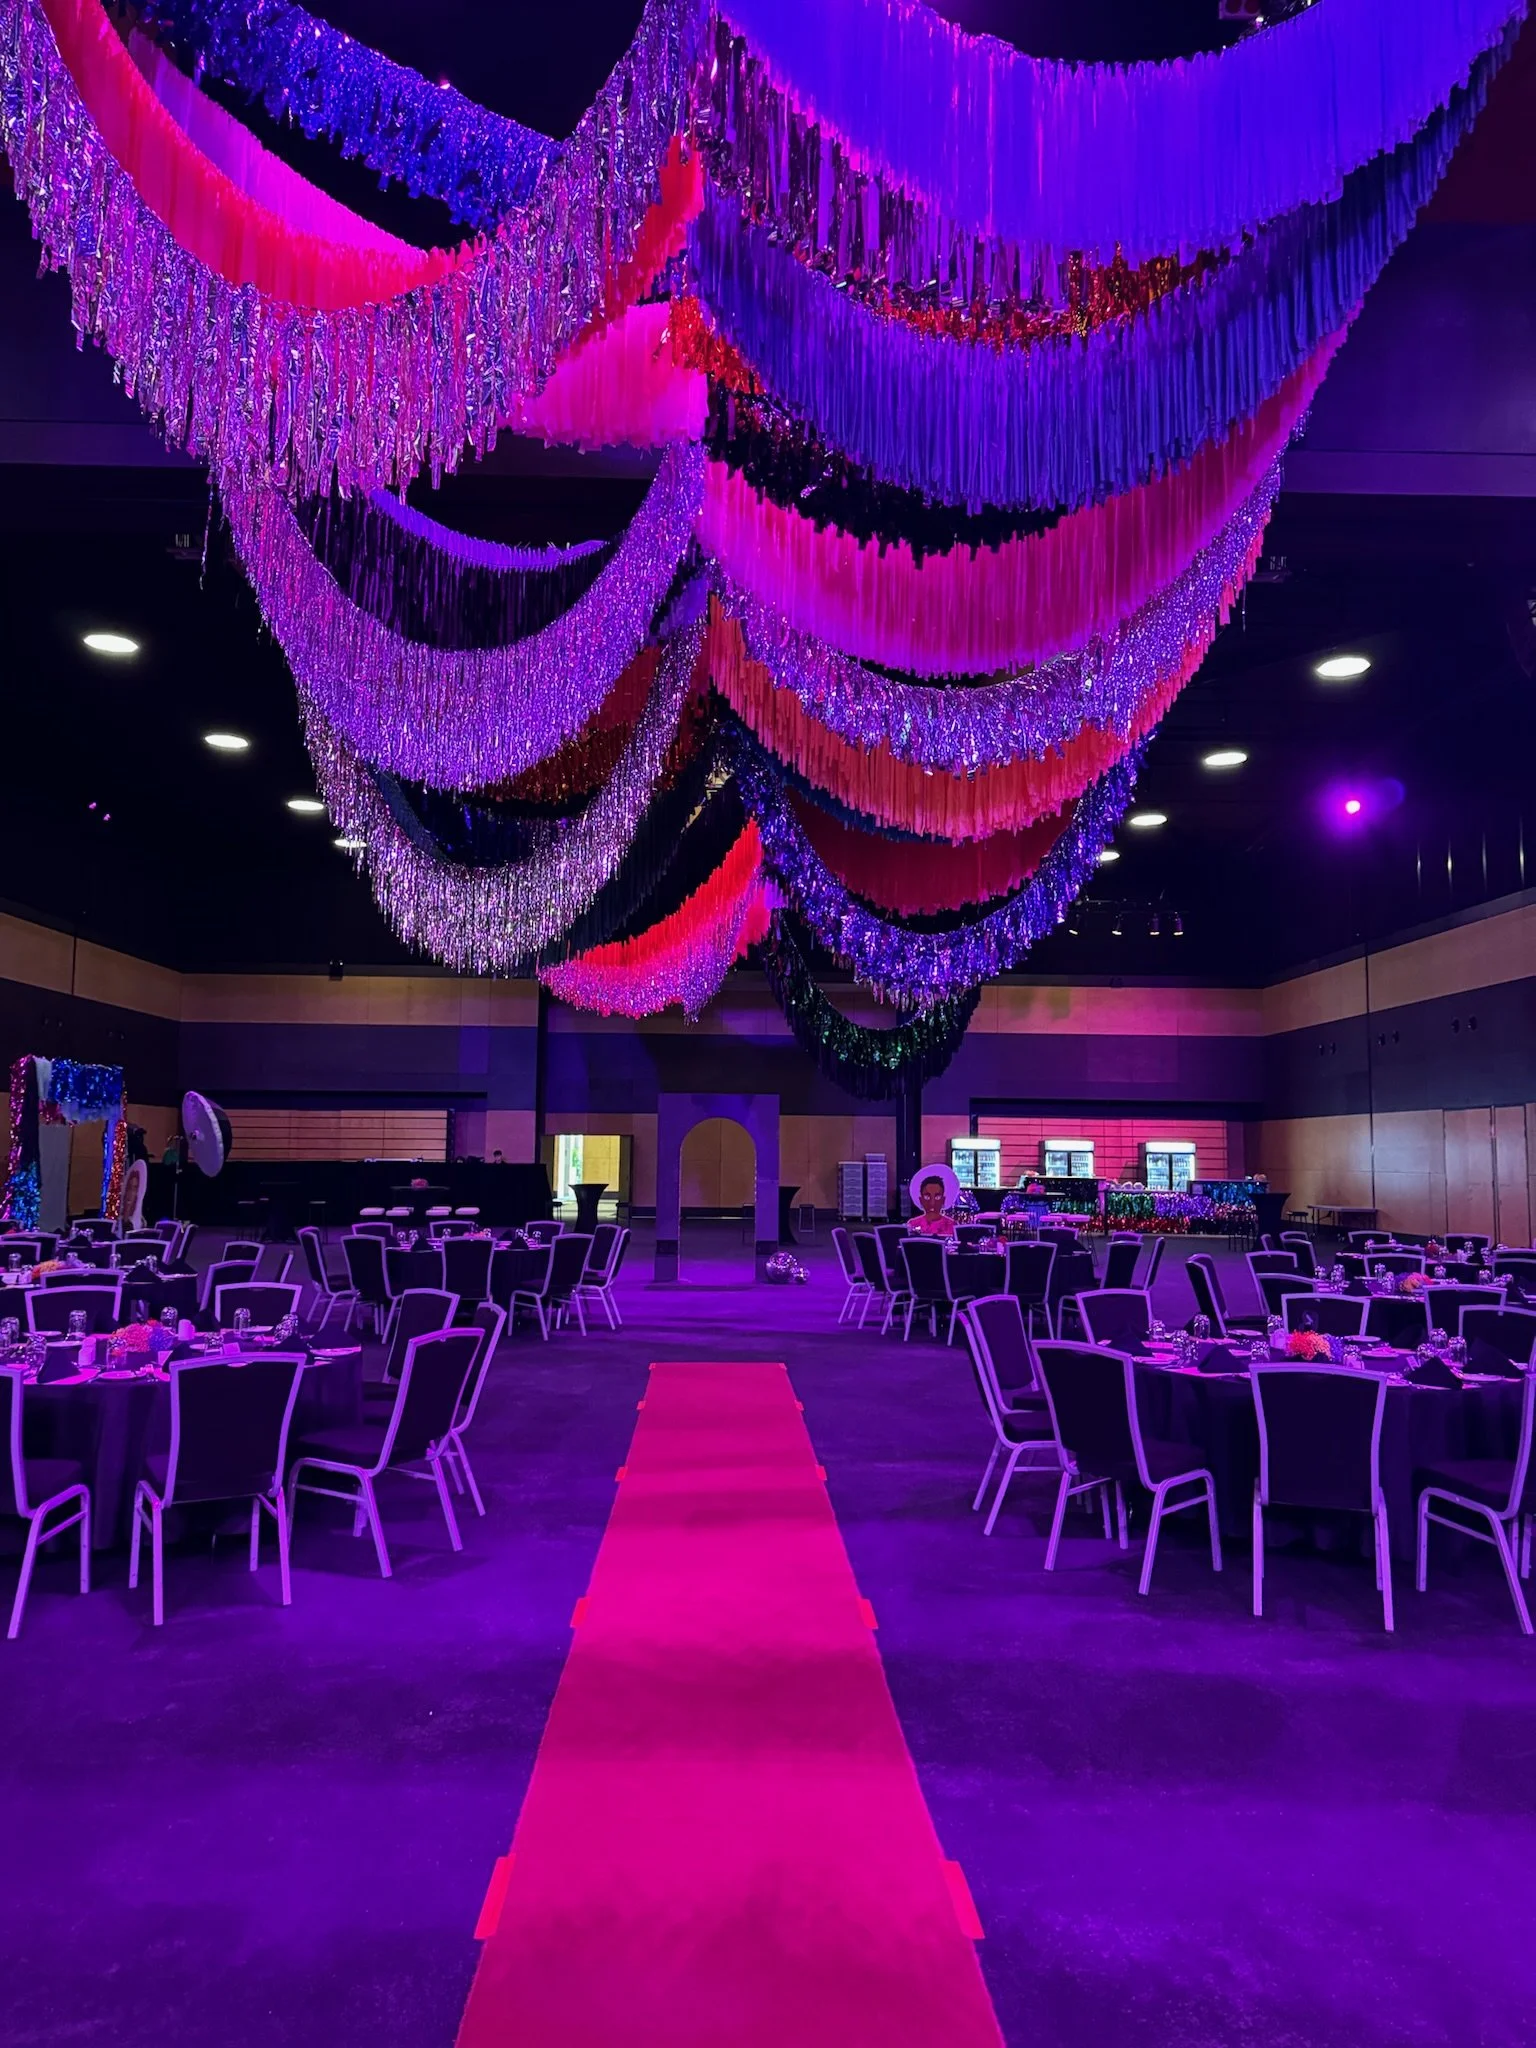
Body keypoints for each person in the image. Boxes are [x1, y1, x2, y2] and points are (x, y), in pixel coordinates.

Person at [907, 1173, 957, 1240]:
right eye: (927, 1197)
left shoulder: (952, 1225)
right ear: (921, 1200)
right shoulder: (913, 1224)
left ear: (943, 1200)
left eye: (937, 1197)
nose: (932, 1203)